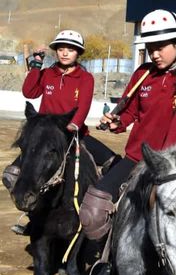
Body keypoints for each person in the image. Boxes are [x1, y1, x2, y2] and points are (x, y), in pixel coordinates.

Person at [79, 9, 176, 275]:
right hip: (136, 157)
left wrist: (160, 165)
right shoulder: (142, 74)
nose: (154, 54)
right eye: (149, 47)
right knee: (94, 207)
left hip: (173, 165)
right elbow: (130, 114)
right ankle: (107, 262)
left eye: (160, 47)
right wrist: (116, 122)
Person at [1, 30, 118, 235]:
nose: (65, 53)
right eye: (61, 49)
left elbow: (83, 106)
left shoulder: (86, 78)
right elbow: (29, 92)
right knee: (14, 174)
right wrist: (36, 65)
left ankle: (101, 215)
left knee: (114, 163)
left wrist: (73, 125)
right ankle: (32, 217)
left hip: (74, 134)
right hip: (46, 139)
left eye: (70, 50)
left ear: (78, 53)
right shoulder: (48, 74)